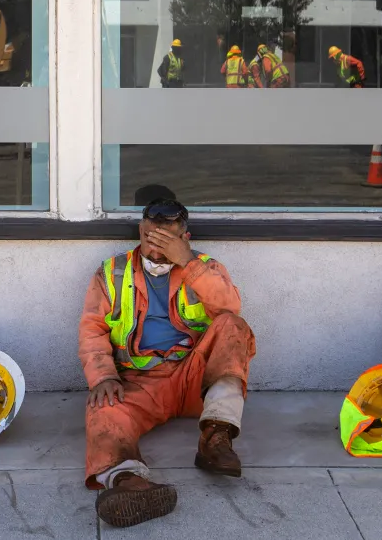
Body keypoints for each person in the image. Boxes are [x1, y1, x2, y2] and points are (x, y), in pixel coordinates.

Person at [80, 198, 256, 527]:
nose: (155, 248)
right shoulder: (111, 272)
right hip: (139, 381)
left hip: (193, 376)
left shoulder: (205, 265)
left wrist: (186, 262)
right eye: (150, 238)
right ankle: (129, 482)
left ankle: (216, 440)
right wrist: (103, 376)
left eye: (166, 241)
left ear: (185, 237)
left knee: (234, 327)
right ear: (140, 232)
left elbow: (229, 306)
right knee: (101, 407)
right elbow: (92, 330)